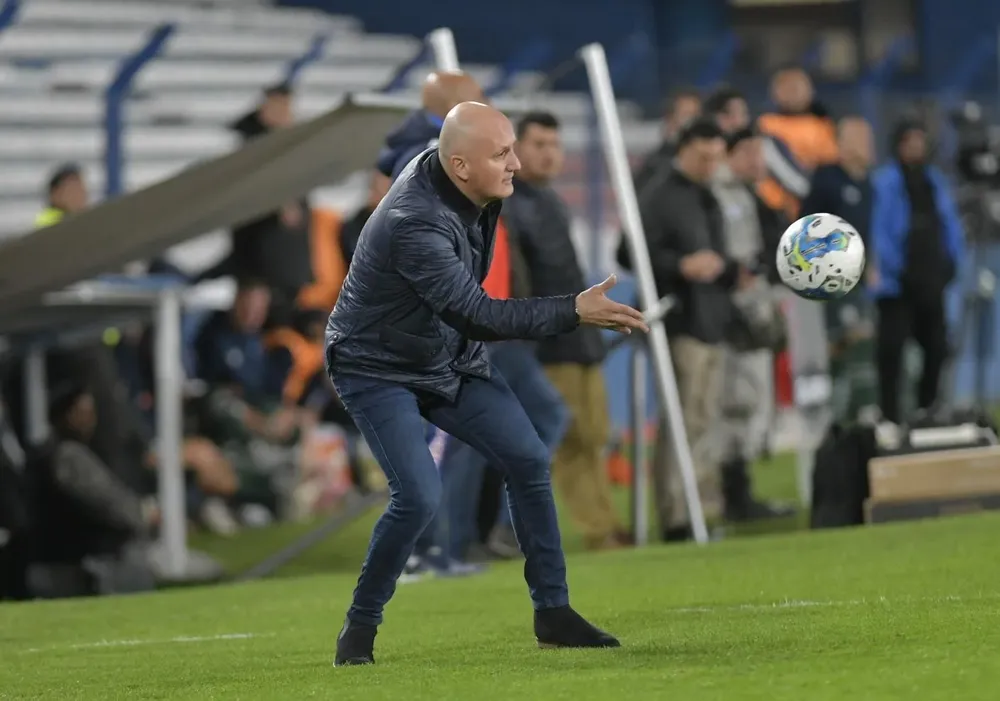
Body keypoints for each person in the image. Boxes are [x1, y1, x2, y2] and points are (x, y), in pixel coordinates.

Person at [326, 101, 647, 665]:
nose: (517, 164)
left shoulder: (466, 180)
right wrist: (573, 310)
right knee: (419, 495)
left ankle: (553, 611)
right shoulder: (415, 222)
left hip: (444, 356)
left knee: (527, 457)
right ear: (459, 166)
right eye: (503, 153)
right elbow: (478, 315)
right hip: (374, 364)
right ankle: (359, 630)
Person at [506, 111, 628, 550]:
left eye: (554, 145)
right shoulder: (509, 206)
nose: (549, 153)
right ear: (517, 147)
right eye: (538, 144)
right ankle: (594, 529)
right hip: (546, 341)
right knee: (570, 438)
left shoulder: (550, 201)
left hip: (577, 334)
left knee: (594, 433)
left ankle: (606, 522)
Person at [630, 118, 752, 542]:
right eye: (704, 157)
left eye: (717, 157)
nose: (710, 164)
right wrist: (680, 266)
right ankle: (676, 517)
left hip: (711, 319)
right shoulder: (660, 195)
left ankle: (696, 510)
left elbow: (713, 253)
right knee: (682, 422)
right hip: (682, 321)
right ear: (683, 149)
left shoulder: (706, 194)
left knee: (702, 420)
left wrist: (730, 271)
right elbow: (629, 251)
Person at [710, 127, 792, 522]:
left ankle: (740, 494)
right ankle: (733, 496)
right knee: (735, 402)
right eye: (750, 152)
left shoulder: (745, 193)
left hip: (751, 309)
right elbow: (737, 265)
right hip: (732, 316)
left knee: (749, 401)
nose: (758, 162)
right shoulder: (720, 194)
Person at [869, 118, 965, 423]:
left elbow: (950, 225)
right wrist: (894, 268)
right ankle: (890, 416)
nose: (915, 147)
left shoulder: (934, 181)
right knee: (891, 353)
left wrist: (951, 262)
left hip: (931, 280)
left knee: (937, 348)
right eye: (909, 141)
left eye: (919, 141)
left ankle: (927, 409)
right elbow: (880, 230)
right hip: (897, 285)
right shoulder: (885, 181)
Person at [757, 65, 839, 220]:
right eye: (787, 86)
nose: (793, 92)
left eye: (798, 86)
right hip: (778, 212)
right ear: (775, 92)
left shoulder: (823, 126)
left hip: (818, 213)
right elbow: (790, 177)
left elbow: (831, 167)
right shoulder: (766, 126)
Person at [800, 116, 875, 252]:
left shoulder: (871, 184)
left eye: (867, 138)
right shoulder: (826, 179)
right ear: (841, 143)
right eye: (859, 138)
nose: (866, 143)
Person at [633, 86, 702, 193]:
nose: (693, 123)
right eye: (687, 115)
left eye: (696, 116)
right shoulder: (655, 167)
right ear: (669, 120)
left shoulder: (710, 166)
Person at [35, 163, 89, 228]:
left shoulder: (80, 218)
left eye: (81, 189)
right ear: (55, 194)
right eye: (72, 190)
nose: (79, 195)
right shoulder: (49, 222)